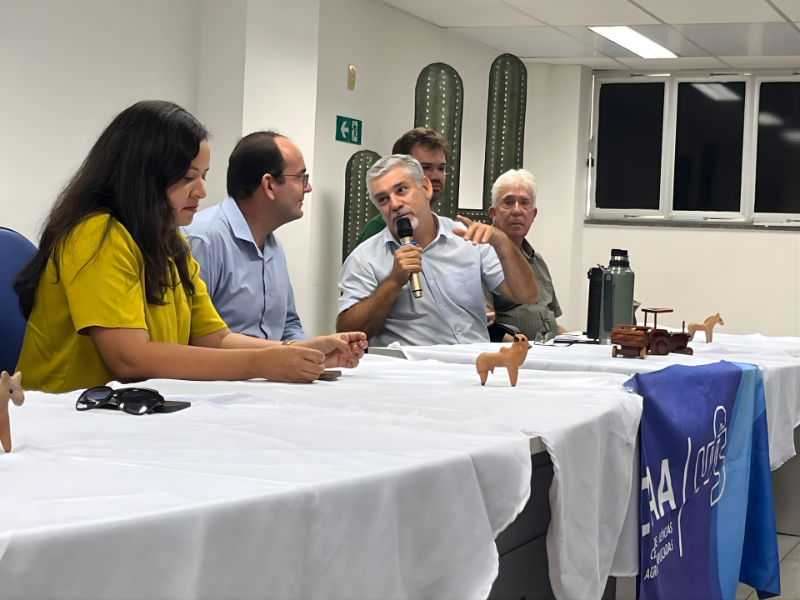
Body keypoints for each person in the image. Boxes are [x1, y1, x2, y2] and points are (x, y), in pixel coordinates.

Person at [14, 100, 366, 393]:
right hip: (65, 418)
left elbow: (215, 338)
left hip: (132, 413)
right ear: (144, 176)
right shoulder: (97, 234)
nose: (201, 191)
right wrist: (264, 363)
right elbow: (130, 358)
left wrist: (297, 351)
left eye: (204, 176)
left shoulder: (170, 244)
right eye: (187, 178)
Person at [336, 155, 537, 347]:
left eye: (402, 190)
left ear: (425, 187)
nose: (395, 204)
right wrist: (394, 281)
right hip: (415, 372)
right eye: (383, 199)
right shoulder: (364, 258)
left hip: (474, 365)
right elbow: (348, 333)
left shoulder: (466, 238)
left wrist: (501, 241)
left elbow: (526, 295)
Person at [184, 132, 308, 341]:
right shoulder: (202, 239)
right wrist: (284, 356)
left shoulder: (273, 246)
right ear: (269, 185)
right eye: (299, 178)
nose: (308, 187)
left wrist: (316, 355)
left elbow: (288, 326)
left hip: (270, 371)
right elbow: (190, 337)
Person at [485, 169, 566, 340]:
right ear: (494, 213)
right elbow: (485, 326)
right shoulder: (483, 258)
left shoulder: (537, 262)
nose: (517, 210)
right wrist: (523, 347)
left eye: (524, 203)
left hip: (548, 347)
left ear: (533, 214)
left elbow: (549, 317)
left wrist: (575, 341)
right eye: (508, 202)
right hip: (513, 353)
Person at [355, 127, 451, 245]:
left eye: (441, 168)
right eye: (425, 167)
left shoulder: (451, 231)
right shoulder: (377, 229)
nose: (437, 176)